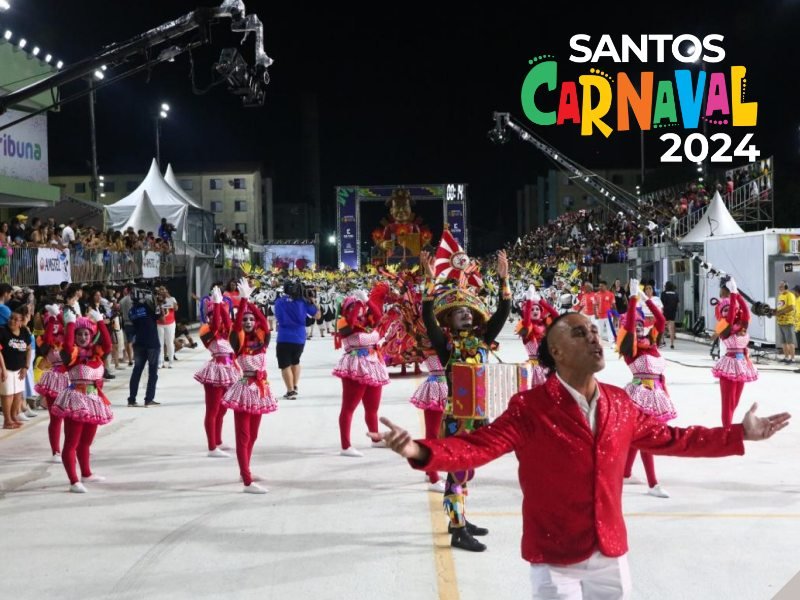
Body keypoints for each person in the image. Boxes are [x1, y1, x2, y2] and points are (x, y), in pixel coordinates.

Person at [371, 311, 790, 600]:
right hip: (556, 559)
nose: (593, 337)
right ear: (556, 352)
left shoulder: (620, 404)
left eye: (593, 330)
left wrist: (739, 434)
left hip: (610, 553)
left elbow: (674, 439)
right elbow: (478, 446)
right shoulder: (530, 407)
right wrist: (418, 449)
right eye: (579, 333)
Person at [419, 246, 511, 553]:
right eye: (460, 311)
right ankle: (457, 528)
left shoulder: (483, 340)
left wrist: (504, 280)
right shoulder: (445, 346)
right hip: (457, 417)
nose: (466, 313)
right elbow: (426, 317)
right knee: (458, 469)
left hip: (480, 416)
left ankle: (459, 518)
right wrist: (430, 282)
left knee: (467, 468)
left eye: (469, 310)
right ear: (450, 320)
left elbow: (503, 312)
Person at [616, 279, 675, 498]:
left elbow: (660, 320)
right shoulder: (630, 349)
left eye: (642, 325)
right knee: (646, 437)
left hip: (657, 393)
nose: (639, 328)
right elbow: (630, 325)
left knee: (639, 437)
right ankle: (653, 484)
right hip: (639, 395)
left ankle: (625, 472)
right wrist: (632, 300)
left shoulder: (651, 344)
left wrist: (646, 300)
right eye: (636, 326)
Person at [222, 279, 278, 494]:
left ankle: (244, 469)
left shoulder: (262, 339)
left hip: (261, 389)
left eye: (250, 319)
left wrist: (252, 302)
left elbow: (264, 321)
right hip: (245, 389)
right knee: (243, 436)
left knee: (253, 435)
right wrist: (243, 301)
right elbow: (236, 326)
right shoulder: (238, 340)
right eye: (244, 318)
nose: (247, 321)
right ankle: (246, 480)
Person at [50, 309, 114, 493]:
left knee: (86, 442)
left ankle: (86, 473)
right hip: (76, 400)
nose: (83, 337)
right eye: (79, 334)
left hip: (93, 400)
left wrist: (100, 322)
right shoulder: (72, 355)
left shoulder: (96, 353)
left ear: (92, 336)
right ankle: (74, 481)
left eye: (86, 333)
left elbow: (108, 344)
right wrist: (70, 324)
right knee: (71, 443)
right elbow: (68, 346)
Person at [332, 283, 390, 457]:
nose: (361, 311)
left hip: (373, 364)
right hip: (355, 366)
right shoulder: (343, 323)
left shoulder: (368, 322)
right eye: (356, 308)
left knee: (372, 407)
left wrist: (367, 301)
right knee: (349, 407)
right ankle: (345, 446)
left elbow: (379, 316)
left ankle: (375, 438)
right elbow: (351, 321)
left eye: (362, 308)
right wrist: (356, 304)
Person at [195, 286, 240, 457]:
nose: (221, 318)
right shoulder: (206, 330)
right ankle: (211, 447)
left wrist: (221, 305)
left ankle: (218, 440)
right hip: (215, 371)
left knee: (223, 409)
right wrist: (217, 304)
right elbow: (214, 326)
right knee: (212, 410)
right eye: (217, 315)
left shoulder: (226, 332)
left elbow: (228, 324)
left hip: (230, 369)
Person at [712, 278, 758, 427]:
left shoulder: (741, 326)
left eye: (729, 309)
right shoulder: (723, 327)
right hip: (729, 365)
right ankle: (726, 430)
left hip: (742, 365)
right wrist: (732, 295)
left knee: (735, 402)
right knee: (727, 402)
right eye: (723, 310)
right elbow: (730, 316)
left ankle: (728, 426)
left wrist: (737, 294)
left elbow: (745, 311)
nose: (727, 312)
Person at [273, 280, 320, 399]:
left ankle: (290, 391)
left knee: (285, 365)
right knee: (296, 361)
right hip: (299, 337)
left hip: (284, 336)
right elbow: (317, 315)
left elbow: (276, 315)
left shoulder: (279, 301)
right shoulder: (303, 302)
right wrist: (313, 302)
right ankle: (294, 386)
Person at [35, 304, 70, 460]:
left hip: (71, 379)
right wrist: (51, 321)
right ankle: (56, 451)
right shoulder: (43, 340)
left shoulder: (70, 337)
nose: (55, 325)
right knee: (55, 418)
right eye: (51, 322)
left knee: (72, 418)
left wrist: (61, 316)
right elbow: (48, 340)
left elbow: (71, 329)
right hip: (54, 380)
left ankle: (71, 448)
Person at [516, 285, 558, 388]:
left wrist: (541, 301)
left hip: (548, 365)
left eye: (537, 309)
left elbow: (557, 316)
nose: (535, 311)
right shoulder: (527, 328)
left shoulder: (545, 325)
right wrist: (529, 300)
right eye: (532, 310)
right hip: (534, 368)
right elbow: (526, 320)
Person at [126, 288, 161, 407]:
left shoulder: (131, 311)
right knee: (153, 372)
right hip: (152, 342)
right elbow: (158, 316)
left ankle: (131, 399)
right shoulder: (147, 307)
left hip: (139, 342)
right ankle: (149, 399)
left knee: (137, 371)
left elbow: (135, 323)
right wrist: (156, 302)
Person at [0, 310, 32, 429]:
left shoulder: (24, 331)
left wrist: (26, 366)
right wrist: (2, 369)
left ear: (21, 322)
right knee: (7, 394)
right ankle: (7, 420)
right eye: (11, 318)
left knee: (18, 394)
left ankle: (13, 417)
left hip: (19, 368)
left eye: (15, 319)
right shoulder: (2, 330)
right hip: (5, 368)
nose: (11, 321)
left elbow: (28, 350)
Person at [155, 286, 179, 369]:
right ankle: (160, 362)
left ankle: (171, 361)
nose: (161, 291)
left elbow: (176, 308)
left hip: (170, 323)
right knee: (160, 344)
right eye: (160, 290)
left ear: (166, 291)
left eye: (163, 290)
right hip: (159, 323)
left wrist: (168, 299)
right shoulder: (155, 299)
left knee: (169, 342)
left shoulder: (172, 298)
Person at [774, 281, 796, 365]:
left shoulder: (790, 295)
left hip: (788, 321)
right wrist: (774, 311)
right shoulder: (780, 296)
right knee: (783, 342)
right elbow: (780, 307)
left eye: (781, 286)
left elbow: (791, 307)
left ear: (786, 286)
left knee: (790, 342)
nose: (779, 287)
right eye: (779, 286)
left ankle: (792, 359)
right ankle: (786, 357)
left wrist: (780, 313)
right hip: (780, 321)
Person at [660, 281, 680, 349]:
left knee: (662, 326)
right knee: (671, 328)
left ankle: (663, 341)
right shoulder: (676, 294)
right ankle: (672, 344)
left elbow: (661, 303)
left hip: (665, 312)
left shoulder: (663, 293)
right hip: (673, 312)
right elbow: (678, 304)